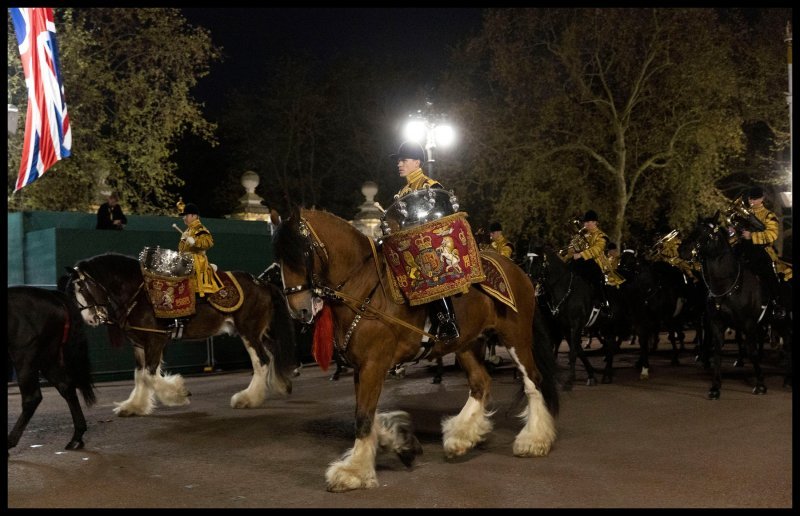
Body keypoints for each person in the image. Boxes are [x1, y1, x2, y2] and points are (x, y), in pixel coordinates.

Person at [391, 140, 459, 341]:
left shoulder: (431, 186)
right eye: (398, 161)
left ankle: (447, 321)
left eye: (403, 160)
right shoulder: (402, 193)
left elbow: (443, 217)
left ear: (417, 162)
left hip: (432, 244)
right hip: (408, 246)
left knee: (428, 266)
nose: (399, 164)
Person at [737, 186, 785, 318]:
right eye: (750, 198)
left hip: (761, 251)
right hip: (744, 249)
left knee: (769, 275)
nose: (751, 201)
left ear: (762, 199)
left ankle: (777, 304)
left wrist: (751, 236)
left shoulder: (769, 215)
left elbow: (772, 235)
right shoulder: (744, 214)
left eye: (755, 198)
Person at [568, 210, 625, 306]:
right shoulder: (582, 235)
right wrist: (572, 250)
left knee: (593, 272)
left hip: (597, 264)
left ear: (595, 222)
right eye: (585, 222)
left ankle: (602, 301)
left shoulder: (601, 236)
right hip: (582, 262)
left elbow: (597, 249)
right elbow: (572, 248)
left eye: (589, 222)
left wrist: (581, 254)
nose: (586, 224)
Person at [178, 203, 223, 299]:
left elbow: (209, 242)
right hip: (186, 259)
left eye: (186, 215)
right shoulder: (187, 231)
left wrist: (195, 242)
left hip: (196, 261)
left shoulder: (200, 228)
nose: (184, 218)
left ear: (194, 216)